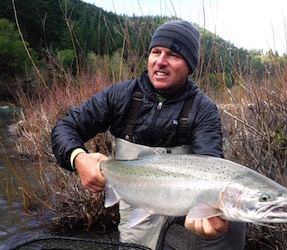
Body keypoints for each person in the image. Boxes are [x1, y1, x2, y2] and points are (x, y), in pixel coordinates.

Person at [51, 20, 246, 249]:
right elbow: (66, 127)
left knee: (231, 223)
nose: (160, 61)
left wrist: (211, 211)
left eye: (173, 55)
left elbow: (213, 165)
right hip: (138, 199)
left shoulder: (203, 109)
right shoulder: (120, 95)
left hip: (187, 199)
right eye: (156, 52)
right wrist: (78, 158)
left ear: (189, 66)